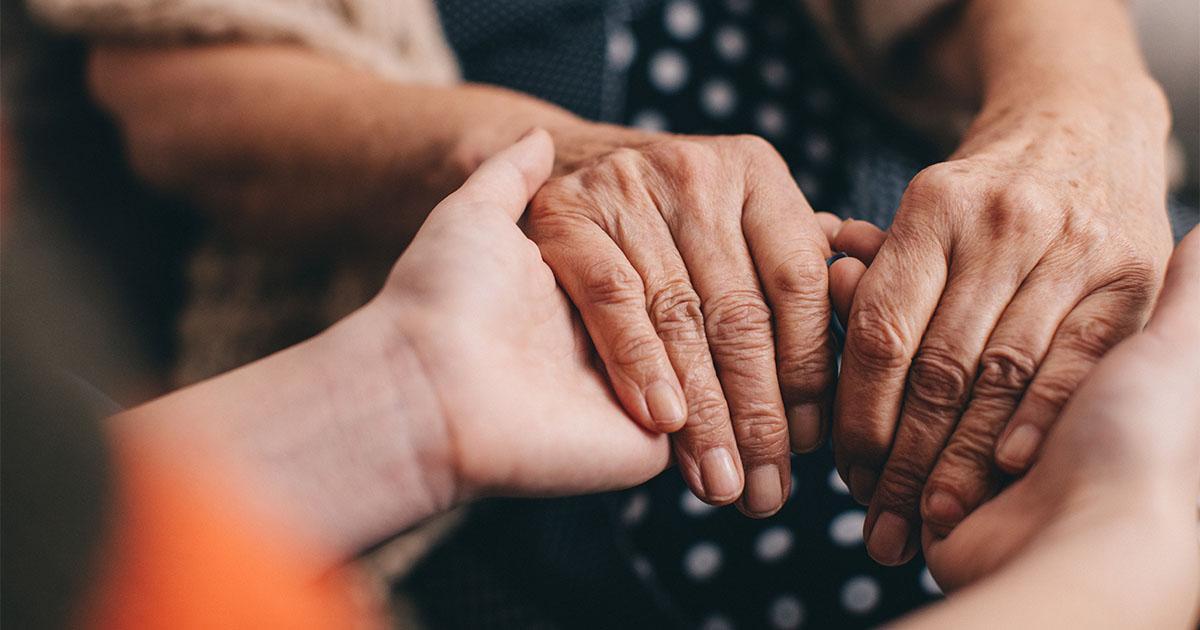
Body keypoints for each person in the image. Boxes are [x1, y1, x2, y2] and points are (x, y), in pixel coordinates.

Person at [24, 0, 1184, 624]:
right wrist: (551, 170)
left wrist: (1089, 110)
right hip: (544, 463)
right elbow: (184, 84)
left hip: (1046, 306)